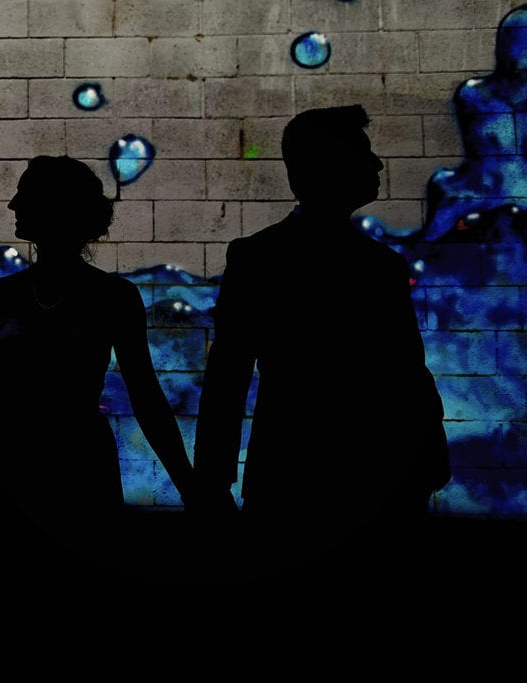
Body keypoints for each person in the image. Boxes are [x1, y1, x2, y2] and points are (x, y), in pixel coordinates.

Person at [190, 105, 452, 571]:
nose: (376, 164)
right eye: (364, 152)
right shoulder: (380, 267)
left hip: (289, 479)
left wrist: (212, 481)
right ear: (331, 164)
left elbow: (227, 378)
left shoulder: (258, 258)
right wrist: (428, 459)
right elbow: (408, 375)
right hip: (379, 481)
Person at [0, 155, 196, 571]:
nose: (12, 205)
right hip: (41, 463)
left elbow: (145, 395)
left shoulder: (102, 297)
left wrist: (187, 483)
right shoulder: (9, 296)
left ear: (52, 208)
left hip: (60, 467)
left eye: (23, 195)